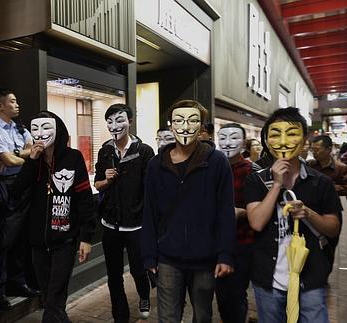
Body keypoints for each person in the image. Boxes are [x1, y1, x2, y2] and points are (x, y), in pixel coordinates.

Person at [244, 107, 342, 323]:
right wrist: (277, 184)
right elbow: (257, 222)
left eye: (291, 133)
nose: (283, 141)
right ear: (268, 140)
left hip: (311, 277)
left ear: (304, 139)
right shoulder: (256, 181)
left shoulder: (320, 182)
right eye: (276, 134)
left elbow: (333, 227)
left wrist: (308, 213)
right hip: (268, 279)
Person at [141, 100, 235, 323]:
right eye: (179, 120)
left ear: (202, 127)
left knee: (202, 316)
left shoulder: (217, 162)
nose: (185, 127)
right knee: (168, 317)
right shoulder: (156, 165)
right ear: (170, 125)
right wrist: (149, 255)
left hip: (205, 257)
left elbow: (225, 212)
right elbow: (150, 212)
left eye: (193, 121)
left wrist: (225, 254)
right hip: (167, 258)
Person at [12, 111, 96, 323]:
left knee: (55, 295)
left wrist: (86, 236)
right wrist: (31, 160)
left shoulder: (73, 157)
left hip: (64, 241)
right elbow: (16, 190)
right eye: (35, 129)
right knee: (49, 294)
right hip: (38, 241)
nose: (40, 134)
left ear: (58, 130)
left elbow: (85, 198)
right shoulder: (34, 162)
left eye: (46, 128)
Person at [94, 104, 154, 322]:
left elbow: (150, 189)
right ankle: (120, 316)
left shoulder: (144, 151)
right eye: (109, 121)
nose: (114, 126)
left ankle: (144, 296)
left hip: (136, 225)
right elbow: (98, 184)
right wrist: (106, 180)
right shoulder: (104, 151)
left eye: (119, 120)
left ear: (130, 121)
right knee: (114, 276)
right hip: (110, 225)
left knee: (139, 270)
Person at [0, 87, 38, 310]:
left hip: (22, 185)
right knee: (2, 242)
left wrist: (19, 154)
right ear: (0, 106)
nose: (17, 105)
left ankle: (17, 282)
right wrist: (23, 154)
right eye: (12, 101)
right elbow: (9, 160)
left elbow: (35, 150)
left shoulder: (21, 128)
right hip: (3, 187)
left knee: (20, 239)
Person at [215, 123, 258, 323]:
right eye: (222, 138)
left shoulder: (253, 171)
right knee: (222, 294)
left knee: (237, 293)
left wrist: (239, 213)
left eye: (233, 138)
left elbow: (261, 213)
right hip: (215, 243)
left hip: (242, 242)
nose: (227, 143)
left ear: (243, 142)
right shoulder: (212, 167)